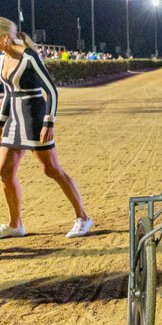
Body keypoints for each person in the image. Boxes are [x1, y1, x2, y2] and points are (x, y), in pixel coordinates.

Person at [0, 17, 93, 239]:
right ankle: (16, 224)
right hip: (14, 119)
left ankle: (83, 218)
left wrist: (48, 122)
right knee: (4, 171)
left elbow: (51, 90)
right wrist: (2, 121)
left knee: (51, 169)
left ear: (4, 37)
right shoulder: (2, 58)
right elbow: (8, 93)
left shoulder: (29, 56)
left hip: (34, 116)